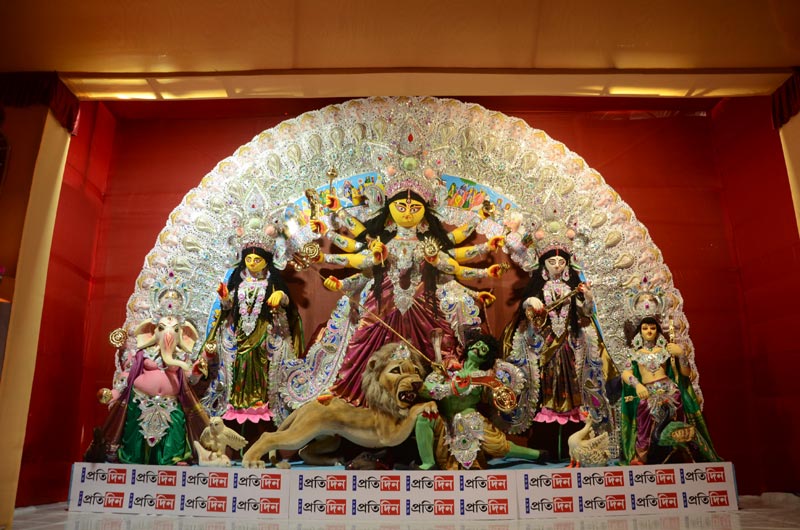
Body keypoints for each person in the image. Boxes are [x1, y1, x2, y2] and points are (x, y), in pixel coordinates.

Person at [308, 169, 505, 406]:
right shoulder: (382, 243)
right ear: (389, 210)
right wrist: (327, 261)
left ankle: (431, 398)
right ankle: (356, 392)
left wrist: (484, 268)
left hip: (424, 305)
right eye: (401, 207)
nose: (408, 212)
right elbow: (357, 260)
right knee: (361, 340)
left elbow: (454, 265)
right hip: (382, 303)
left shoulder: (429, 245)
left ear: (424, 212)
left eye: (415, 208)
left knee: (438, 348)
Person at [414, 332, 547, 469]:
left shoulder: (486, 377)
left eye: (483, 349)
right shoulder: (447, 366)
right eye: (477, 345)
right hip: (444, 418)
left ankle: (535, 454)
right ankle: (428, 463)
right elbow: (425, 389)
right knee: (424, 418)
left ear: (486, 358)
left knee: (499, 446)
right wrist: (450, 388)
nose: (478, 348)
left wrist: (503, 396)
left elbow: (500, 398)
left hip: (469, 418)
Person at [207, 244, 303, 424]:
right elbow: (228, 308)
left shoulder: (271, 283)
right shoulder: (240, 283)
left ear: (266, 261)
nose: (252, 263)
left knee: (260, 363)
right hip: (241, 331)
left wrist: (280, 295)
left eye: (257, 259)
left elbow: (287, 304)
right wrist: (225, 297)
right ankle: (239, 398)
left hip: (263, 330)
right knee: (241, 362)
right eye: (248, 259)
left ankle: (259, 398)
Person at [620, 317, 720, 465]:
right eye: (645, 328)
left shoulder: (666, 350)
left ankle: (682, 448)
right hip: (648, 391)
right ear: (639, 332)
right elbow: (625, 373)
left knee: (677, 408)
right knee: (644, 410)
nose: (649, 331)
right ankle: (642, 455)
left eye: (653, 328)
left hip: (669, 390)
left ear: (658, 331)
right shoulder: (634, 353)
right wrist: (637, 385)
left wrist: (681, 354)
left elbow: (685, 373)